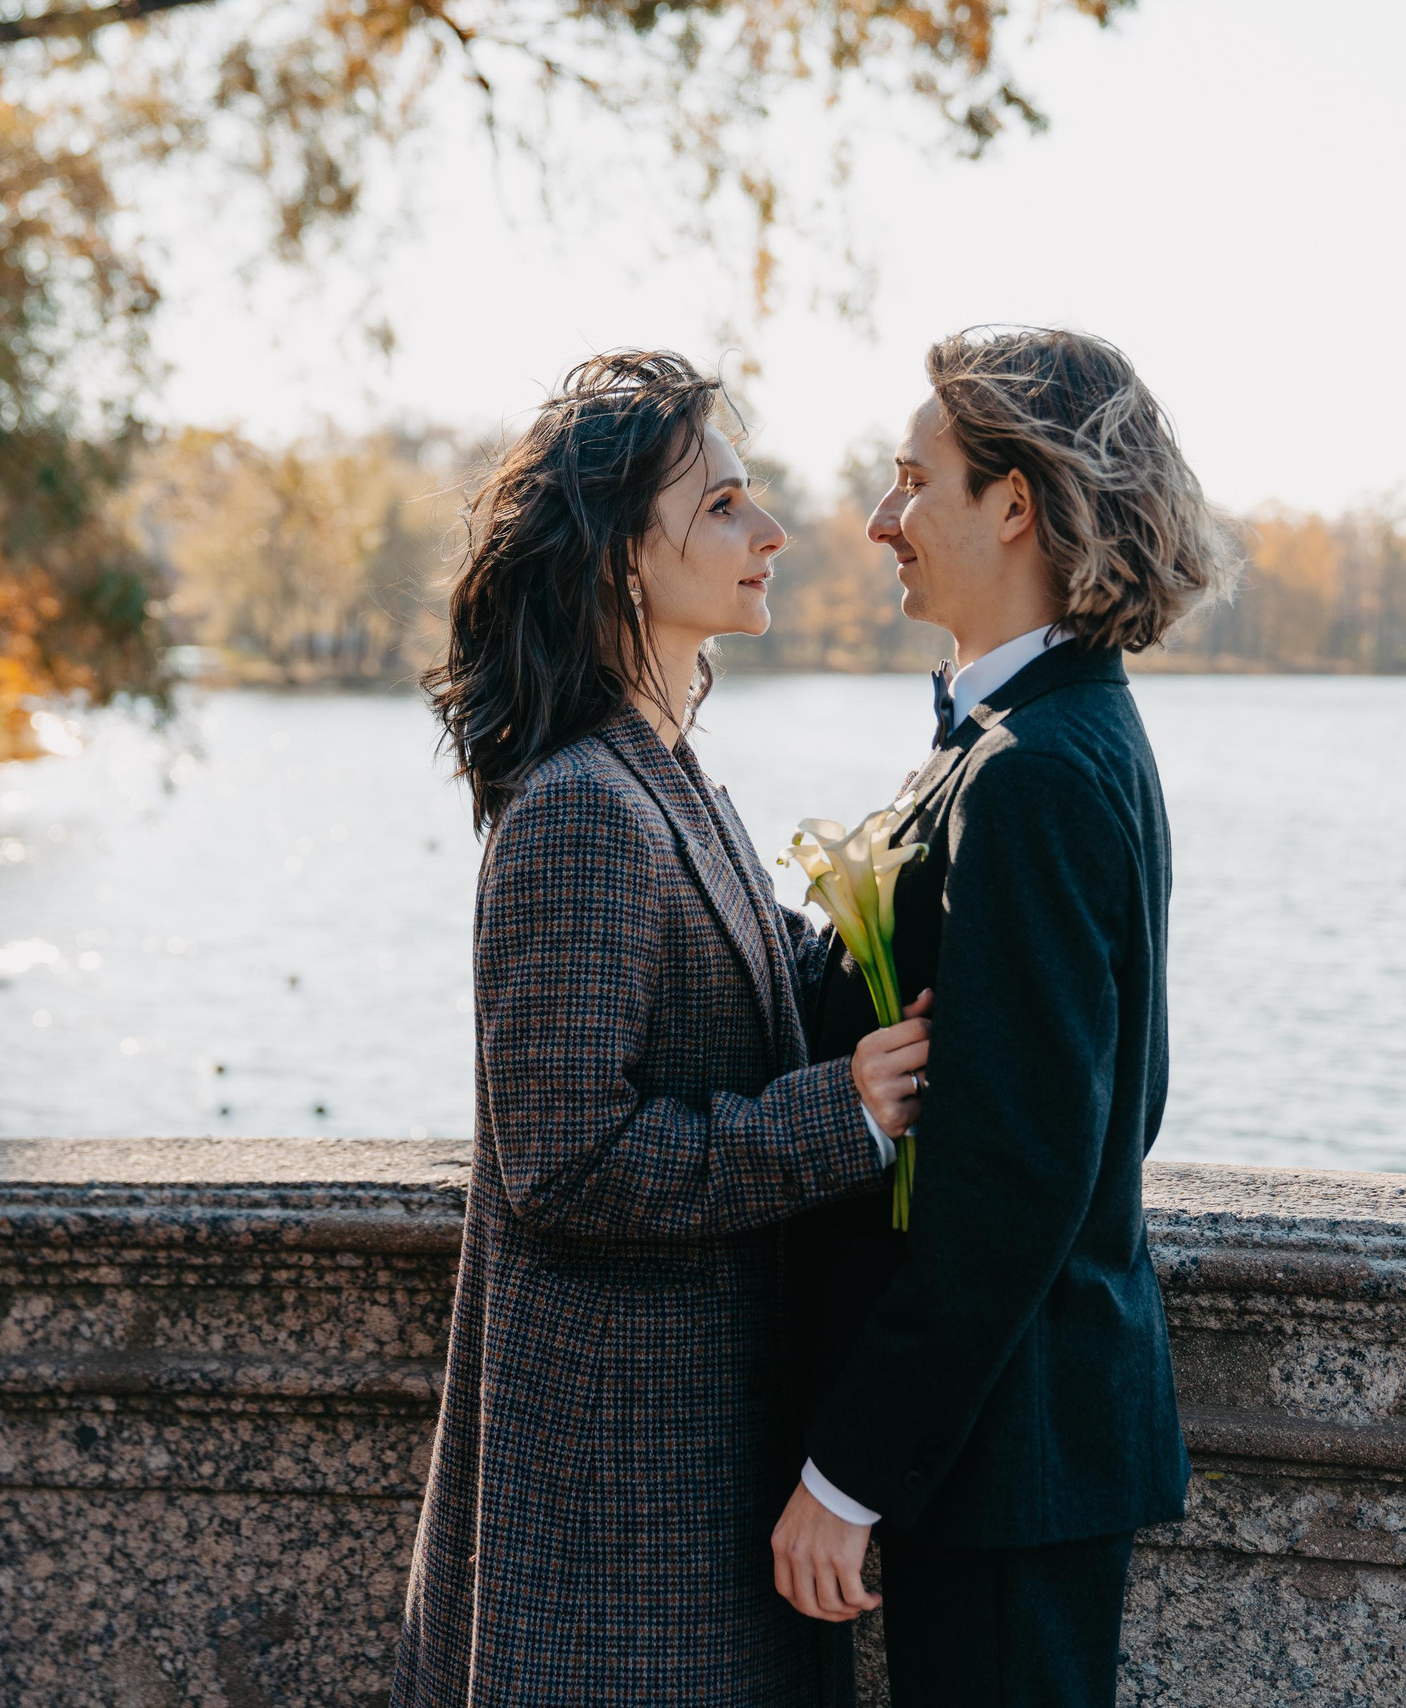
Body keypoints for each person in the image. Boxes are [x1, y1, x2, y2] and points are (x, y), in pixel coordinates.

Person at [393, 350, 935, 1707]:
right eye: (726, 508)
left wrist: (915, 926)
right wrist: (845, 1119)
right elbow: (563, 1164)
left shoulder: (668, 771)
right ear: (626, 561)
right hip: (614, 1517)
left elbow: (763, 987)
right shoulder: (582, 808)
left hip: (689, 1477)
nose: (774, 534)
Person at [772, 327, 1243, 1706]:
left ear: (1014, 503)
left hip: (1007, 1457)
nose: (879, 521)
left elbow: (1029, 1169)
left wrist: (851, 1469)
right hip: (1007, 1446)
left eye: (914, 481)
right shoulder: (1019, 737)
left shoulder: (1034, 771)